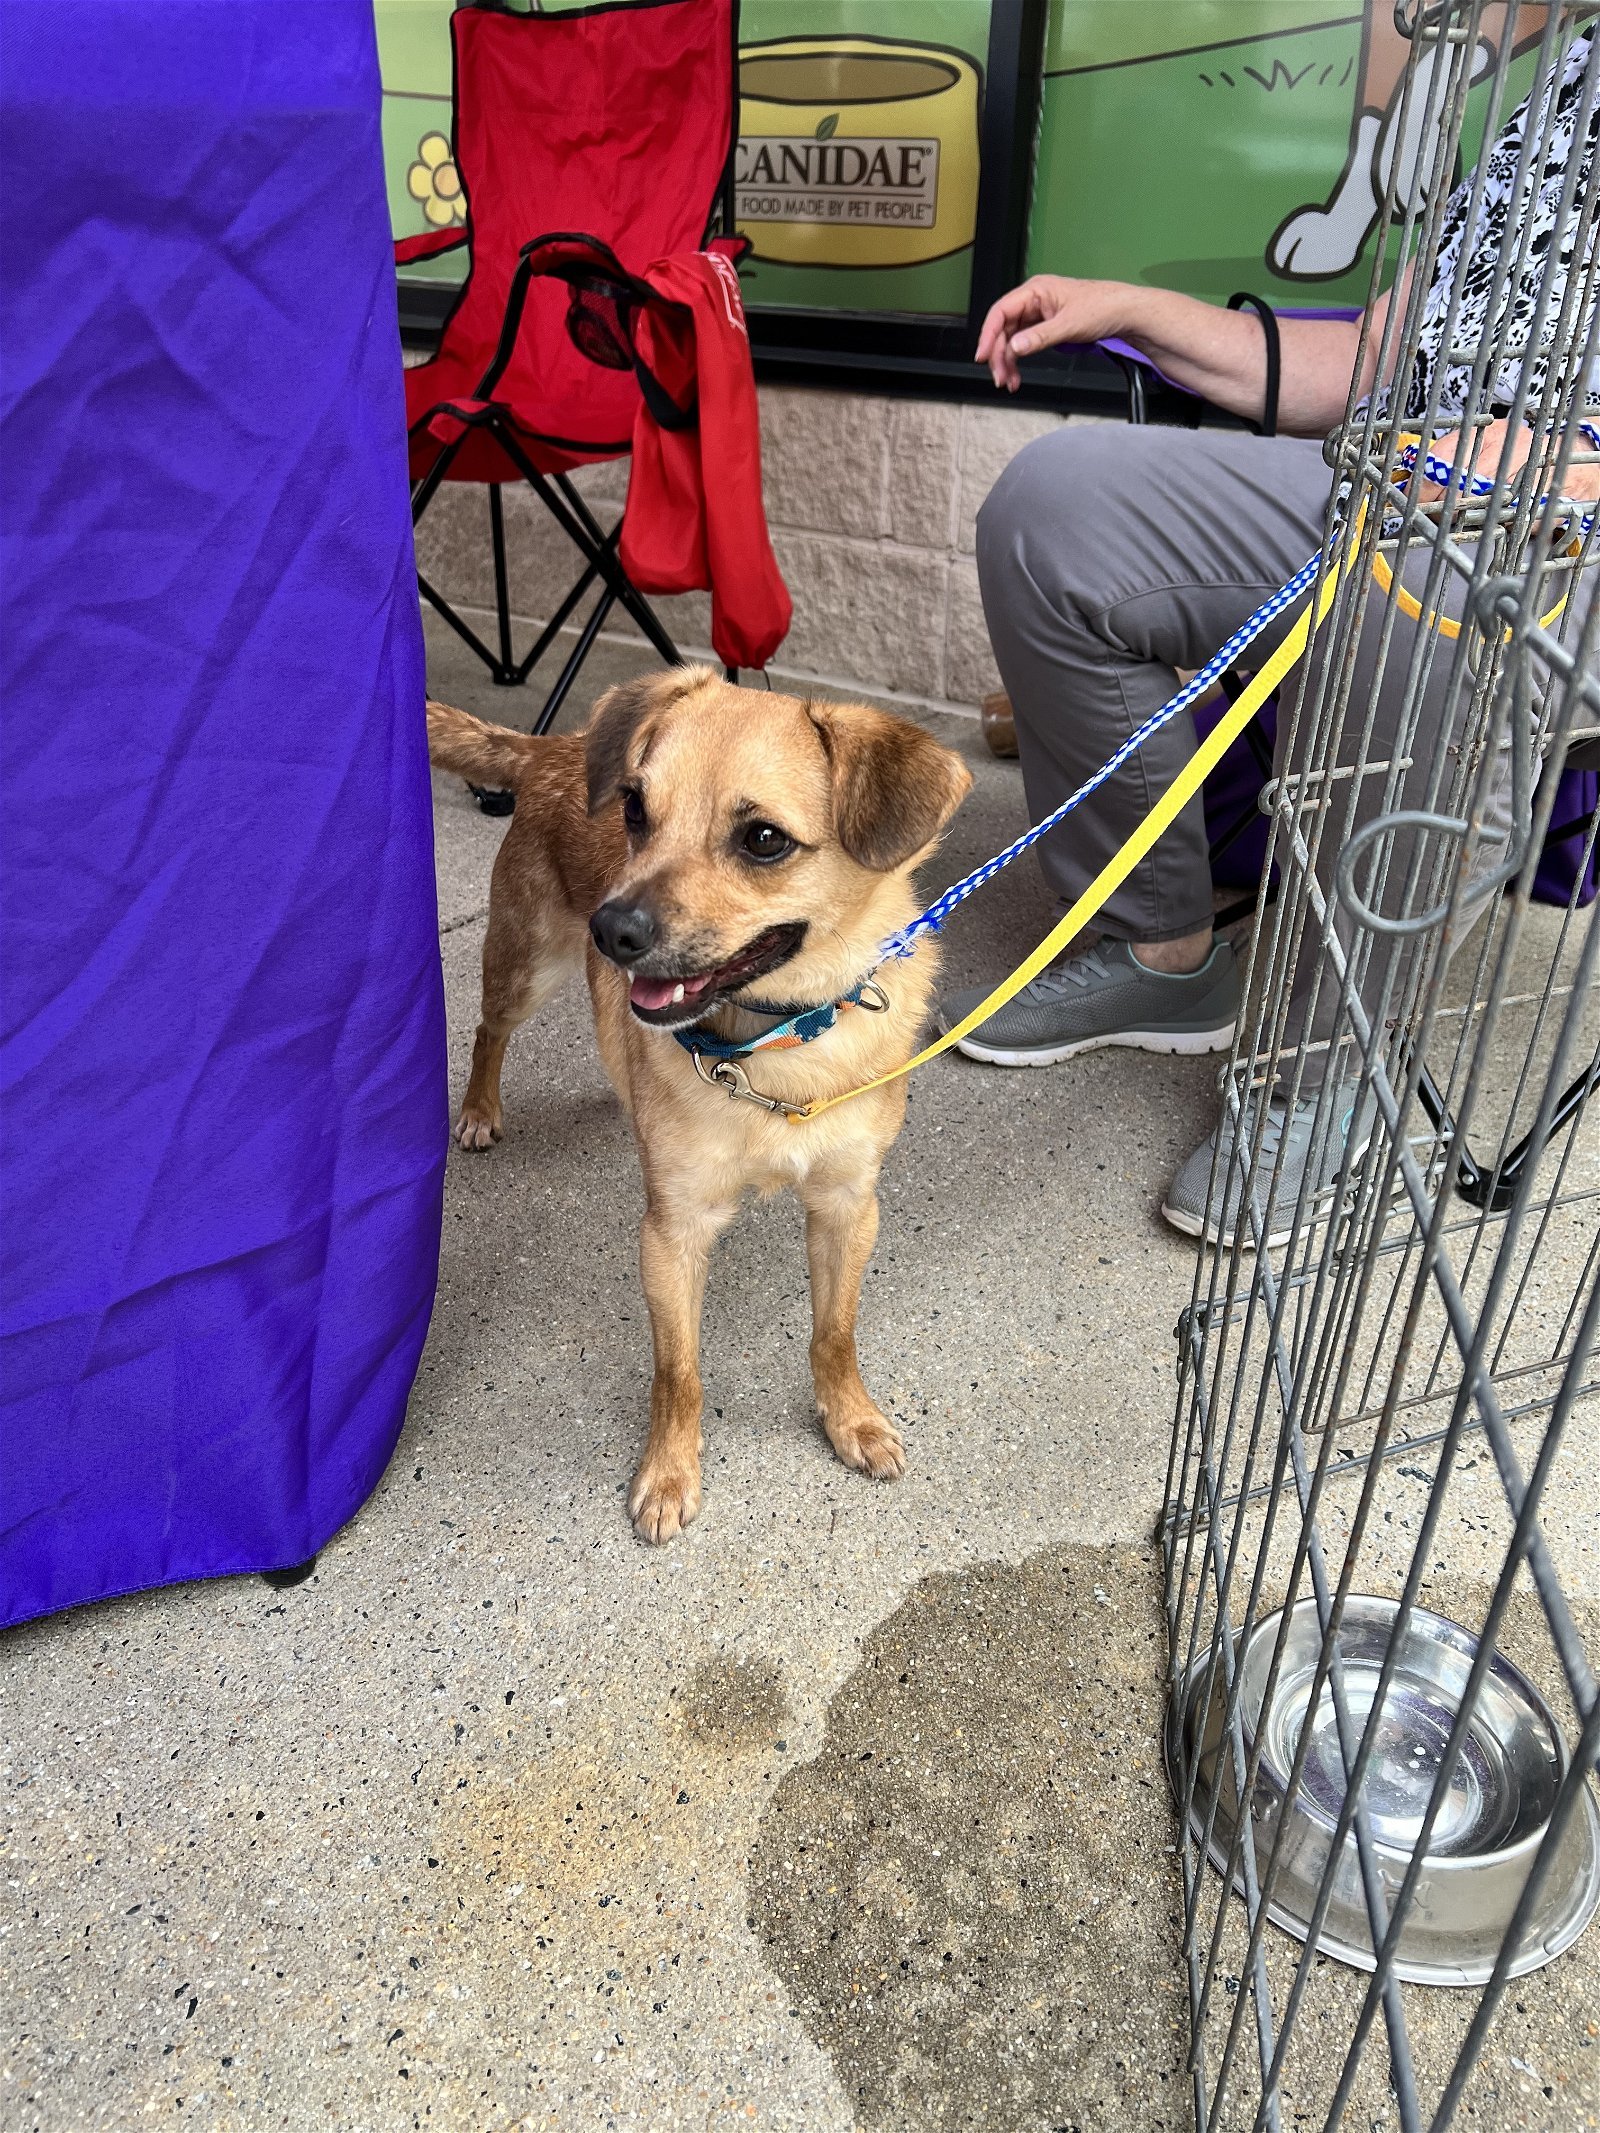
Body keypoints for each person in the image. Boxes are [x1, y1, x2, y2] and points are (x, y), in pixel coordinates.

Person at [943, 24, 1597, 1250]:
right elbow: (1372, 363)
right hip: (1395, 474)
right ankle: (1164, 948)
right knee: (1055, 511)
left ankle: (1319, 1077)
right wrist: (1145, 307)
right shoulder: (1561, 83)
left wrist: (1541, 461)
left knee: (1426, 586)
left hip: (1554, 542)